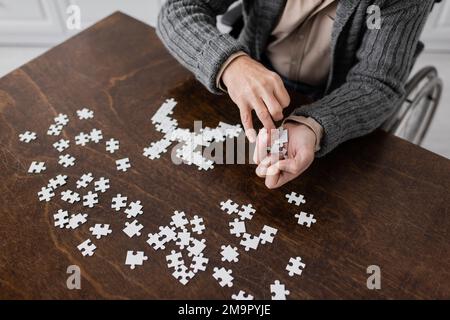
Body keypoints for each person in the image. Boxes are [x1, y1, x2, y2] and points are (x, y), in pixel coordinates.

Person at [157, 0, 434, 188]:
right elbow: (178, 9)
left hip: (334, 102)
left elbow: (377, 84)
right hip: (249, 71)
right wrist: (230, 64)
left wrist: (312, 126)